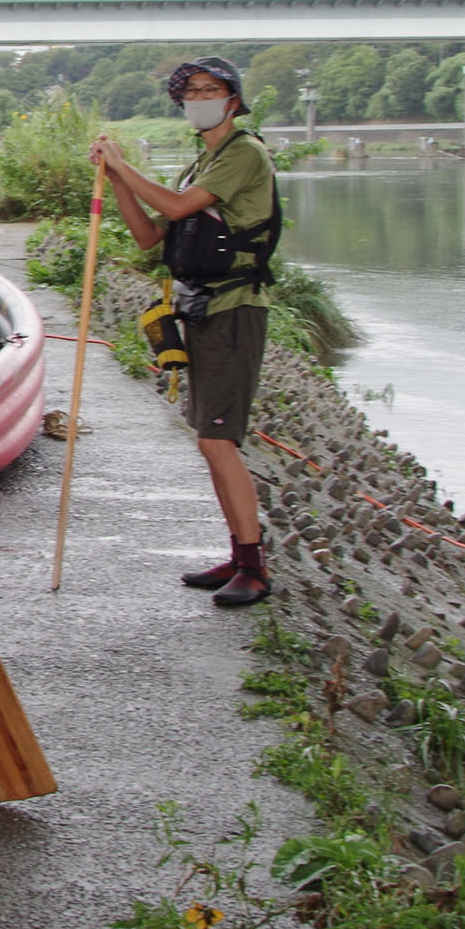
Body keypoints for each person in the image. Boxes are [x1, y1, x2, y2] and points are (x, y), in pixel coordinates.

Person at [91, 56, 280, 608]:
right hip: (199, 307)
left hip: (235, 309)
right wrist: (115, 177)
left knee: (218, 440)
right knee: (209, 440)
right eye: (190, 91)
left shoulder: (244, 152)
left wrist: (124, 164)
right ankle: (240, 555)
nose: (199, 97)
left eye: (210, 89)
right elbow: (151, 234)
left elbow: (174, 207)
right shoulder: (200, 163)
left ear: (233, 99)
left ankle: (255, 566)